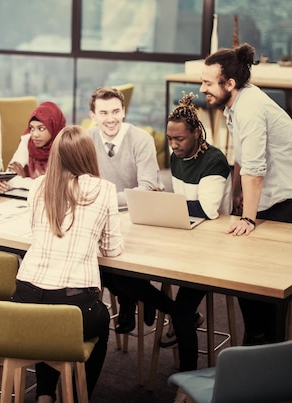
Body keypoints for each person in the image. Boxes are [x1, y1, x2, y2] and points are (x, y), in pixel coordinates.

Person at [11, 125, 124, 403]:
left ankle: (45, 394)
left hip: (23, 302)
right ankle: (73, 395)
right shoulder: (105, 190)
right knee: (99, 325)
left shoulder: (38, 185)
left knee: (45, 323)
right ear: (89, 156)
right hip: (75, 307)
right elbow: (112, 249)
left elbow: (36, 231)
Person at [200, 43, 292, 345]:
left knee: (265, 280)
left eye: (208, 83)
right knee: (247, 274)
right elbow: (240, 156)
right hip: (267, 195)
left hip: (284, 199)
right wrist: (236, 193)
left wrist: (248, 219)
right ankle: (257, 337)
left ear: (230, 83)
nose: (202, 89)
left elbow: (255, 168)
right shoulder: (236, 104)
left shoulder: (250, 108)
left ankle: (266, 346)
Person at [164, 92, 232, 403]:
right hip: (184, 239)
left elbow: (208, 208)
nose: (173, 145)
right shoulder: (176, 157)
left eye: (179, 139)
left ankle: (187, 382)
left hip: (214, 248)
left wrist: (171, 205)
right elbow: (184, 206)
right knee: (121, 278)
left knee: (181, 308)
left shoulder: (214, 160)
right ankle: (177, 314)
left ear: (196, 134)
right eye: (169, 138)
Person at [87, 86, 162, 334]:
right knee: (91, 262)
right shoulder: (87, 140)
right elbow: (81, 183)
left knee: (120, 264)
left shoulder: (141, 140)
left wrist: (103, 198)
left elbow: (147, 189)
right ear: (93, 115)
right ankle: (142, 297)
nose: (111, 118)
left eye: (116, 111)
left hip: (137, 219)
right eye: (104, 112)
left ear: (124, 111)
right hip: (100, 219)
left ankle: (135, 299)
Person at [6, 101, 66, 190]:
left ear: (54, 127)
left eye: (41, 128)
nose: (34, 134)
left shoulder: (65, 145)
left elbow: (59, 186)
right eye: (31, 128)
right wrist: (39, 183)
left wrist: (24, 179)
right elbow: (9, 178)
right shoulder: (27, 141)